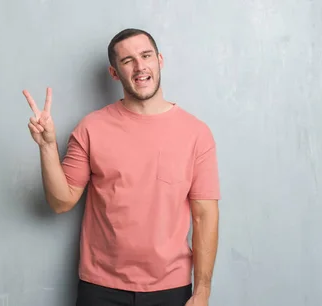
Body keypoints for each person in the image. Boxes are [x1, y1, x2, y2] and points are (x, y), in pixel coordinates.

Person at [22, 28, 220, 306]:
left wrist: (202, 292)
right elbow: (61, 202)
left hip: (171, 288)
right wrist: (46, 146)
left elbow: (205, 216)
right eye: (127, 61)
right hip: (101, 287)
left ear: (159, 60)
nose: (140, 66)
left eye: (146, 55)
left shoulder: (197, 134)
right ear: (115, 73)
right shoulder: (91, 128)